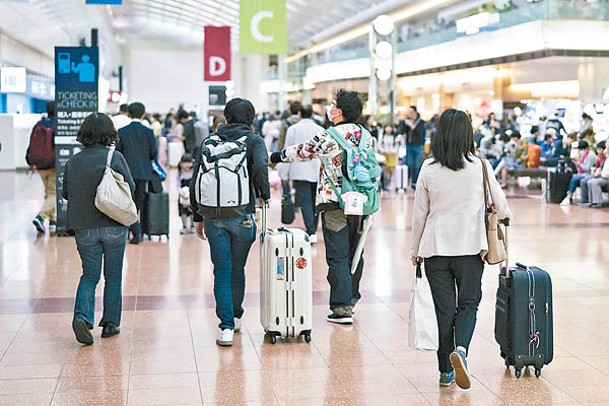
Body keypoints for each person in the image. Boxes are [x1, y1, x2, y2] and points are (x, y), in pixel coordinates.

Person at [410, 109, 511, 390]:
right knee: (468, 303)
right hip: (470, 247)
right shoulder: (480, 166)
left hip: (435, 248)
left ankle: (445, 372)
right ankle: (462, 351)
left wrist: (414, 249)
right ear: (468, 134)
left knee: (445, 310)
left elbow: (420, 214)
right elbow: (500, 206)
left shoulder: (428, 168)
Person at [270, 89, 378, 325]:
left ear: (338, 111)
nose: (329, 107)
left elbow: (301, 151)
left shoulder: (329, 136)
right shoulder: (366, 136)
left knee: (338, 254)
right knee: (356, 251)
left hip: (334, 202)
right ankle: (352, 295)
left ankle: (341, 307)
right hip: (361, 202)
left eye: (332, 104)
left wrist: (275, 157)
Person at [190, 98, 270, 347]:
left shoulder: (208, 142)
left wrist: (197, 216)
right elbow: (260, 168)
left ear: (226, 117)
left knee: (221, 271)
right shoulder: (254, 141)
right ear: (251, 118)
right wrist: (264, 195)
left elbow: (195, 179)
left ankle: (225, 327)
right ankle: (235, 316)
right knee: (238, 268)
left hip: (213, 216)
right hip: (242, 214)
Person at [61, 113, 135, 345]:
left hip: (84, 227)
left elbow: (65, 194)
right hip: (113, 224)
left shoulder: (74, 161)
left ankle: (82, 317)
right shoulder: (114, 157)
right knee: (113, 276)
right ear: (109, 133)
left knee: (90, 275)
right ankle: (110, 324)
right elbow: (129, 187)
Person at [116, 102, 157, 244]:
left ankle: (134, 231)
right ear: (143, 114)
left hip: (126, 172)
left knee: (127, 202)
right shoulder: (149, 132)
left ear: (128, 114)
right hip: (144, 172)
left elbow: (118, 153)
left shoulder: (122, 132)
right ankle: (136, 230)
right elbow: (153, 152)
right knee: (137, 203)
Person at [284, 104, 323, 242]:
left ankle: (311, 231)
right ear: (312, 115)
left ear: (299, 114)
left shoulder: (293, 129)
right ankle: (313, 229)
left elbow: (287, 152)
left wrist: (284, 174)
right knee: (315, 202)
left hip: (299, 170)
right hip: (317, 170)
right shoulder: (320, 130)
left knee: (305, 202)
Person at [27, 101, 57, 234]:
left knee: (49, 193)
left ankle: (53, 220)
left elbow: (31, 144)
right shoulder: (58, 125)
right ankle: (40, 217)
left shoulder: (39, 124)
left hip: (40, 165)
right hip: (53, 165)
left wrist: (30, 162)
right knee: (54, 193)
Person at [561, 140, 597, 205]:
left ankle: (569, 196)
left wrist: (578, 164)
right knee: (571, 176)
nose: (581, 151)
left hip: (588, 174)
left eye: (582, 149)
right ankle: (569, 195)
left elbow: (587, 168)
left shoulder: (591, 155)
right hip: (582, 173)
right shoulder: (583, 155)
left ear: (586, 148)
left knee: (575, 177)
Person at [403, 106, 426, 190]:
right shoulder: (407, 121)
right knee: (409, 164)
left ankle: (414, 182)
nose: (410, 114)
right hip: (409, 145)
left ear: (415, 112)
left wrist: (412, 126)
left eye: (411, 112)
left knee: (417, 165)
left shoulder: (421, 122)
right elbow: (403, 130)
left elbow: (420, 134)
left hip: (418, 146)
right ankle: (408, 182)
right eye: (409, 112)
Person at [377, 123, 400, 191]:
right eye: (387, 127)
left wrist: (392, 151)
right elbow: (379, 145)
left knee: (392, 168)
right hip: (384, 154)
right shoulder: (382, 136)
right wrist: (385, 151)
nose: (388, 129)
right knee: (385, 169)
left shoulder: (394, 136)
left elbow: (397, 146)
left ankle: (390, 182)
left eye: (390, 127)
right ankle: (386, 184)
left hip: (392, 154)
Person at [177, 154, 195, 234]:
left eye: (189, 162)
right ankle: (184, 226)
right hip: (182, 196)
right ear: (181, 163)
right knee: (183, 210)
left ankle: (192, 225)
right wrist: (181, 192)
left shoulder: (193, 173)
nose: (187, 164)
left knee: (192, 210)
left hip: (192, 194)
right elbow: (177, 184)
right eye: (185, 162)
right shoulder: (180, 173)